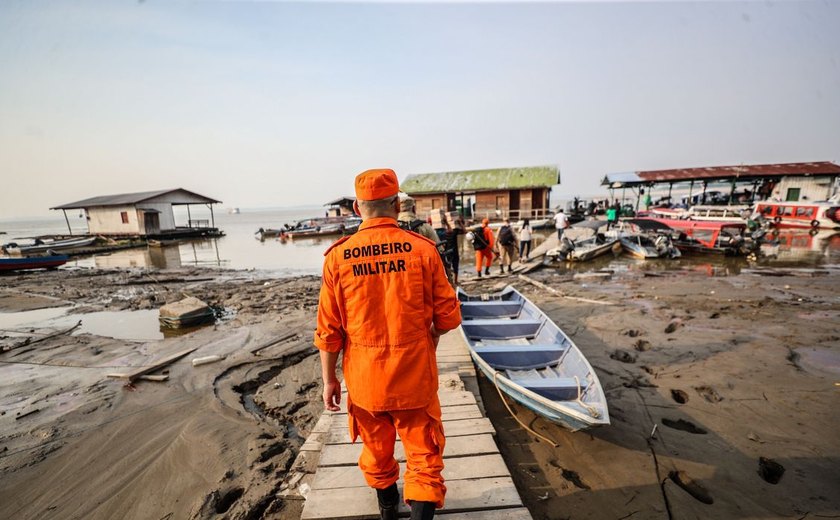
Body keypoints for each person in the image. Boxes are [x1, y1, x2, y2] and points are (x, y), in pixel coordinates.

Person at [315, 169, 462, 520]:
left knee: (377, 451)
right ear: (396, 204)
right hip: (414, 375)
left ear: (356, 207)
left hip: (365, 380)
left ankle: (387, 510)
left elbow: (328, 329)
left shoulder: (338, 257)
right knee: (424, 455)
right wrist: (430, 341)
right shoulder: (423, 250)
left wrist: (329, 380)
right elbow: (448, 316)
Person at [442, 215, 465, 285]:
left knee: (451, 266)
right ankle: (452, 281)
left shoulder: (443, 232)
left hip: (450, 251)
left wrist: (459, 223)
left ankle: (453, 281)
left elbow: (464, 231)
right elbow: (464, 230)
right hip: (450, 251)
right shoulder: (445, 232)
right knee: (450, 266)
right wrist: (460, 223)